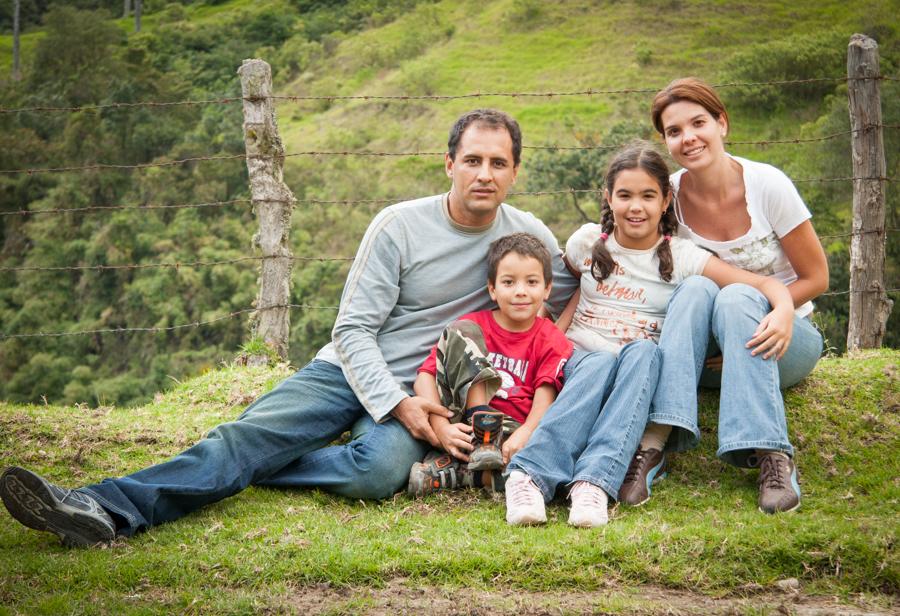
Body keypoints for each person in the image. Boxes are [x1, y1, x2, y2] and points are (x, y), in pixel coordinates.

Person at [0, 109, 578, 547]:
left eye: (498, 163)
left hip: (437, 392)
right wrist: (398, 405)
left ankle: (244, 470)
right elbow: (353, 330)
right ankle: (99, 508)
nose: (484, 174)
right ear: (449, 163)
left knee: (375, 473)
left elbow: (571, 286)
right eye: (472, 160)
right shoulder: (399, 225)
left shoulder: (526, 235)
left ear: (515, 171)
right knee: (245, 438)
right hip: (352, 369)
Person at [503, 142, 795, 528]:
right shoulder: (587, 243)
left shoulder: (684, 257)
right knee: (603, 360)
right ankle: (531, 476)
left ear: (666, 200)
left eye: (647, 196)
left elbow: (756, 282)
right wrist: (548, 337)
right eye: (624, 195)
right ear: (608, 197)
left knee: (643, 353)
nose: (635, 207)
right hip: (576, 361)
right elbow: (570, 289)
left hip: (633, 369)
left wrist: (784, 306)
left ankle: (594, 483)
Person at [618, 77, 829, 514]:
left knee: (735, 299)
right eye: (674, 131)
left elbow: (817, 277)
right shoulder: (667, 196)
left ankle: (772, 455)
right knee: (696, 287)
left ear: (722, 124)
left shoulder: (768, 185)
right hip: (705, 353)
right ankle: (654, 444)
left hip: (780, 336)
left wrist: (781, 310)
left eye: (698, 123)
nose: (688, 138)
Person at [406, 232, 573, 497]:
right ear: (492, 289)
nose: (520, 291)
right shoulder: (473, 325)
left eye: (532, 282)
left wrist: (525, 434)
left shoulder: (550, 338)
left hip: (512, 432)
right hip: (463, 423)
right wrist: (441, 427)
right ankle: (480, 434)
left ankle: (460, 473)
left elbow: (545, 398)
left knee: (534, 472)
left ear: (547, 289)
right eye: (509, 282)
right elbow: (425, 377)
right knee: (460, 330)